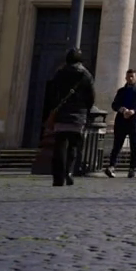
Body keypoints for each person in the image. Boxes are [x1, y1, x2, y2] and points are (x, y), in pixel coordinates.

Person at [43, 48, 94, 187]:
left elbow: (51, 94)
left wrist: (51, 110)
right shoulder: (86, 75)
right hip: (79, 114)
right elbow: (91, 97)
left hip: (62, 113)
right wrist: (86, 111)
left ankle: (58, 177)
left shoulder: (59, 73)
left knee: (59, 145)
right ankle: (69, 172)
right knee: (73, 145)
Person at [104, 69, 136, 178]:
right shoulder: (121, 91)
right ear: (125, 78)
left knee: (135, 147)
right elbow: (114, 104)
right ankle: (112, 166)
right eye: (129, 76)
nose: (130, 78)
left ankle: (132, 168)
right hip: (121, 121)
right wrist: (121, 109)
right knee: (117, 146)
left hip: (135, 122)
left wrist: (134, 111)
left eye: (132, 76)